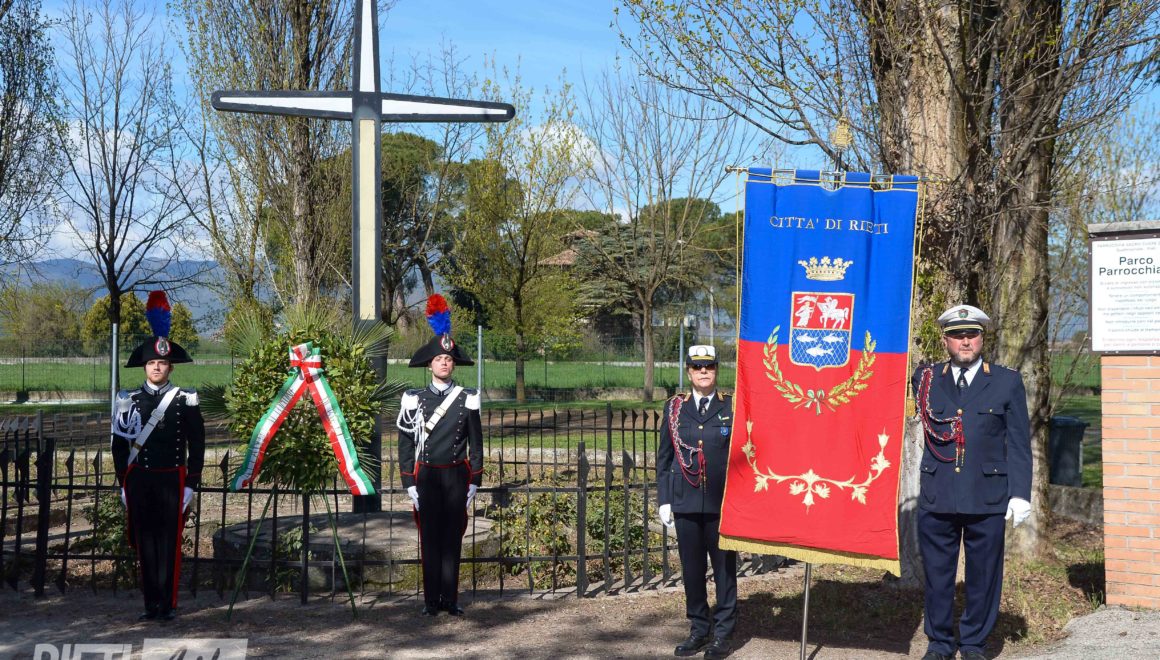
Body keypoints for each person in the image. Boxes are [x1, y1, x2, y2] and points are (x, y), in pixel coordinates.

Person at [912, 304, 1032, 660]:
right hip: (938, 493)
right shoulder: (926, 379)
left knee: (983, 576)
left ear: (982, 338)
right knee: (937, 575)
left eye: (972, 335)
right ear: (945, 340)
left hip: (987, 495)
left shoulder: (1007, 381)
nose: (965, 342)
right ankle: (939, 642)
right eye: (957, 335)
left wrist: (1020, 494)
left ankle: (974, 643)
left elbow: (1019, 442)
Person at [111, 291, 205, 622]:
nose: (156, 367)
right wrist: (123, 483)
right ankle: (150, 604)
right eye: (152, 363)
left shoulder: (185, 399)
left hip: (172, 478)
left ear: (169, 366)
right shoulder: (128, 399)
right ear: (145, 366)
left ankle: (167, 604)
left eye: (161, 363)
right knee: (145, 542)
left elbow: (198, 442)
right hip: (140, 480)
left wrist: (191, 484)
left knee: (169, 543)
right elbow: (119, 445)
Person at [397, 294, 483, 617]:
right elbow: (406, 444)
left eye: (448, 359)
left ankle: (450, 598)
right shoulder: (414, 398)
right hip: (428, 475)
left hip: (456, 475)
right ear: (430, 364)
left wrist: (474, 481)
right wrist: (409, 482)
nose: (444, 363)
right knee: (430, 538)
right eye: (439, 359)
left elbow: (477, 443)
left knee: (453, 538)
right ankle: (431, 600)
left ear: (453, 364)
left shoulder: (467, 398)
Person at [657, 345, 738, 659]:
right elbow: (664, 458)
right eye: (697, 367)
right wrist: (665, 499)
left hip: (721, 503)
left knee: (724, 570)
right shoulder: (674, 408)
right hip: (685, 501)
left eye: (709, 366)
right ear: (689, 371)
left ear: (716, 370)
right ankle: (699, 629)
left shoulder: (731, 405)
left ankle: (723, 634)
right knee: (692, 570)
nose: (704, 372)